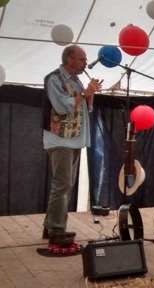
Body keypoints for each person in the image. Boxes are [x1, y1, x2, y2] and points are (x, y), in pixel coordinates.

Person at [41, 45, 102, 246]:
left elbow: (85, 109)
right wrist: (85, 93)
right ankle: (57, 230)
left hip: (74, 140)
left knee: (66, 184)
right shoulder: (54, 79)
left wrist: (90, 93)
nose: (86, 63)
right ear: (69, 60)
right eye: (82, 59)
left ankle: (50, 226)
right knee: (62, 184)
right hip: (60, 140)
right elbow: (62, 107)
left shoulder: (75, 80)